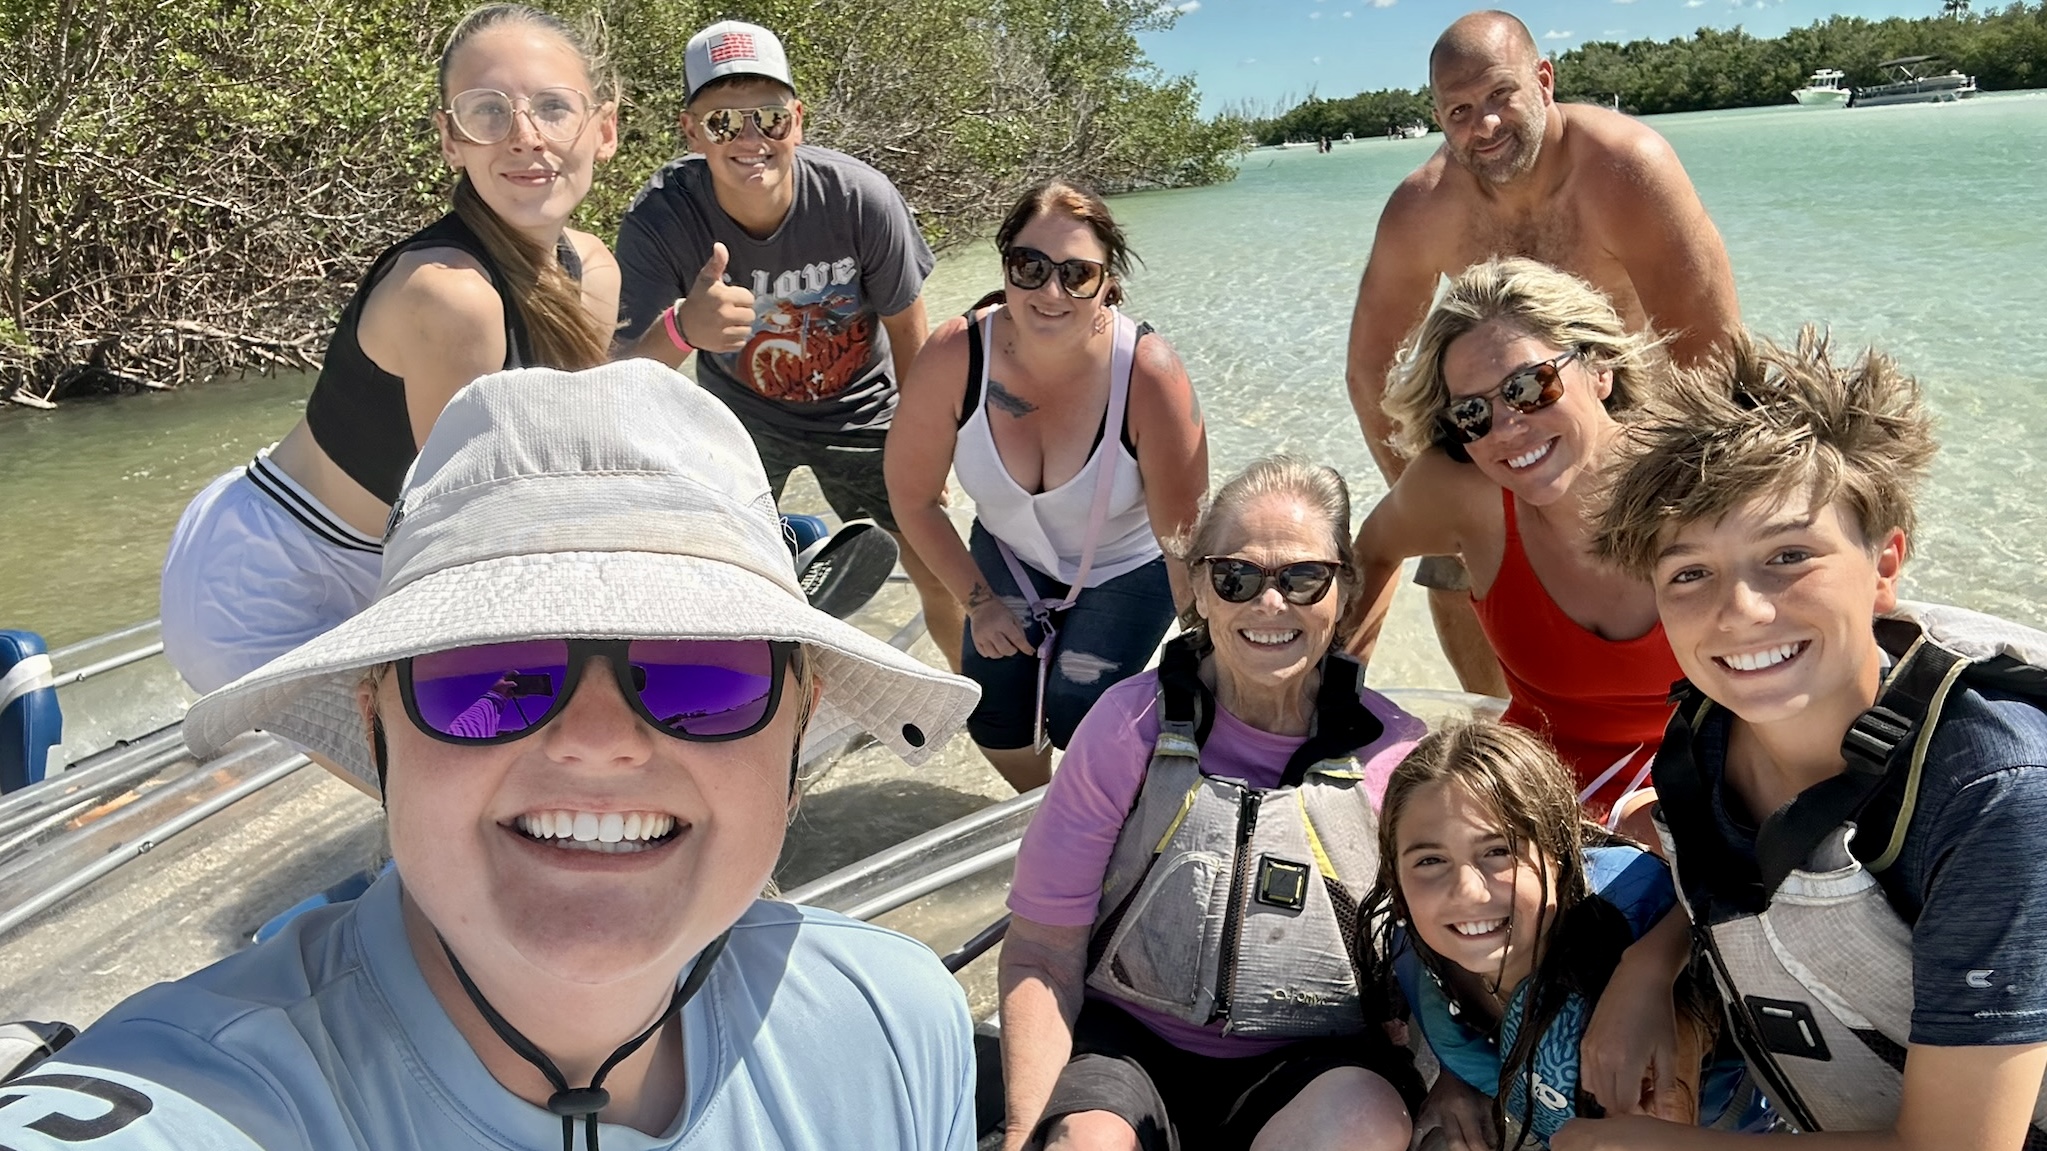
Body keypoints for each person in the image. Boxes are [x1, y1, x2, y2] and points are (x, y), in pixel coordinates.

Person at [0, 360, 984, 1150]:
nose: (599, 744)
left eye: (699, 671)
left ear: (797, 721)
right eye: (493, 673)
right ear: (377, 723)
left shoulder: (900, 1027)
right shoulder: (203, 1096)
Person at [1563, 330, 2047, 1151]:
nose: (1740, 611)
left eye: (1787, 555)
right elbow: (1749, 880)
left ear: (1884, 562)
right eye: (1689, 572)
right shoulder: (1702, 736)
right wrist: (1652, 963)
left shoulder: (1990, 795)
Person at [160, 3, 621, 701]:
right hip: (269, 582)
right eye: (487, 112)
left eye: (553, 107)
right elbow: (468, 532)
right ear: (450, 140)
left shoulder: (593, 269)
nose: (525, 137)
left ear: (604, 130)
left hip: (384, 559)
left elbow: (579, 462)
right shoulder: (449, 297)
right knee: (452, 780)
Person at [997, 456, 1425, 1151]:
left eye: (1302, 577)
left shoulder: (1397, 755)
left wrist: (1458, 1088)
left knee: (1363, 1124)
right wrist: (1024, 1133)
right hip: (1129, 1048)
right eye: (1235, 576)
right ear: (1197, 585)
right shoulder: (1124, 728)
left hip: (1319, 1063)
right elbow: (1042, 954)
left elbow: (1442, 968)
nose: (1269, 603)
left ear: (1343, 589)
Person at [1343, 8, 1738, 699]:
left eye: (1500, 96)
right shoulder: (1422, 207)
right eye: (1458, 110)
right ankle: (1503, 735)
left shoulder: (1624, 169)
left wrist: (1690, 497)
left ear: (1544, 80)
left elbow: (1713, 359)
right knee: (1452, 567)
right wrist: (1439, 501)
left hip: (1616, 423)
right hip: (1487, 426)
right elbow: (1369, 369)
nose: (1483, 125)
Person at [612, 20, 966, 673]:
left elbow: (913, 339)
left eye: (769, 119)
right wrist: (681, 330)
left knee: (944, 575)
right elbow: (618, 379)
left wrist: (926, 453)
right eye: (723, 124)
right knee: (717, 597)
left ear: (797, 121)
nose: (750, 140)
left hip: (865, 412)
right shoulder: (660, 218)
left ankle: (979, 720)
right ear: (691, 131)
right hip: (740, 423)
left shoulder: (861, 200)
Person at [885, 179, 1207, 792]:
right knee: (995, 715)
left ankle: (1105, 812)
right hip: (1010, 552)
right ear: (1006, 266)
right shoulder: (957, 354)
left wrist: (1211, 654)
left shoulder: (1148, 373)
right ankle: (1046, 811)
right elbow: (913, 498)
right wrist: (978, 603)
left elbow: (1183, 542)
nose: (1050, 291)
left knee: (1079, 707)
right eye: (1029, 266)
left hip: (1127, 564)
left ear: (1107, 283)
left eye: (1077, 274)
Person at [1351, 257, 1678, 826]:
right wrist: (1332, 700)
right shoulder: (1463, 494)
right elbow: (1371, 552)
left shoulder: (1698, 483)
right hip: (1525, 802)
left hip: (1694, 792)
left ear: (1600, 370)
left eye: (1528, 387)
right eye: (1473, 413)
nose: (1506, 428)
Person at [1366, 719, 1774, 1150]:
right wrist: (1456, 1074)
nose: (1467, 891)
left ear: (1561, 853)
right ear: (1396, 876)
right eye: (1430, 861)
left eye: (1499, 851)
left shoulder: (1635, 925)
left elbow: (1720, 897)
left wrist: (1650, 970)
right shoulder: (1413, 952)